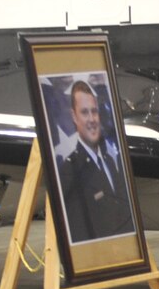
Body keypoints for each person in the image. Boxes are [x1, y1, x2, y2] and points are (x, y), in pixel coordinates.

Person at [56, 79, 135, 243]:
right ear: (74, 116)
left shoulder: (113, 162)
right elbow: (78, 232)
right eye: (85, 112)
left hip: (125, 253)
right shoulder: (69, 170)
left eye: (94, 111)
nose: (92, 119)